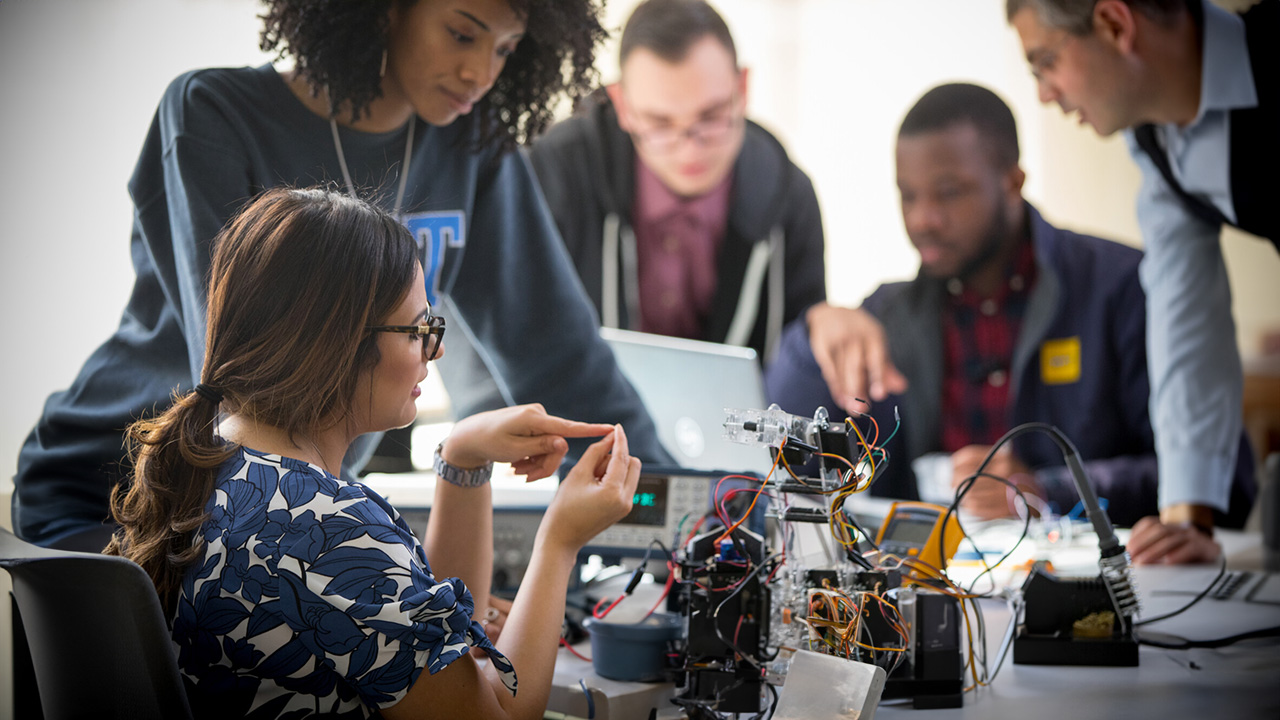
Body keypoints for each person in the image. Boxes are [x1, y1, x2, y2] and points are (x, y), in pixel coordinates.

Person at [14, 0, 669, 550]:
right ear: (386, 9)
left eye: (506, 49)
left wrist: (673, 513)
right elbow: (237, 391)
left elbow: (562, 356)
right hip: (122, 497)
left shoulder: (472, 145)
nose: (480, 71)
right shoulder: (213, 113)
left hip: (285, 506)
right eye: (462, 32)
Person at [107, 186, 642, 720]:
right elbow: (498, 714)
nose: (438, 349)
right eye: (419, 330)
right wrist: (560, 542)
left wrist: (464, 458)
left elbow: (421, 647)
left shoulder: (210, 462)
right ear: (338, 341)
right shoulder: (333, 528)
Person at [765, 83, 1255, 531]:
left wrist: (1046, 492)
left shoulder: (1125, 287)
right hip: (936, 592)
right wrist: (813, 328)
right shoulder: (889, 315)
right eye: (907, 196)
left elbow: (1227, 478)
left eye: (949, 193)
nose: (922, 220)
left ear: (1013, 180)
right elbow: (787, 459)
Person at [1004, 0, 1276, 563]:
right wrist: (1188, 514)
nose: (1044, 94)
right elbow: (1186, 308)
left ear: (1115, 25)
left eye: (1046, 62)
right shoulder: (1155, 140)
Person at [527, 0, 826, 362]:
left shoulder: (789, 198)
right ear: (622, 106)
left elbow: (799, 356)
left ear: (743, 89)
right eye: (660, 124)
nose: (689, 149)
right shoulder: (554, 174)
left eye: (712, 116)